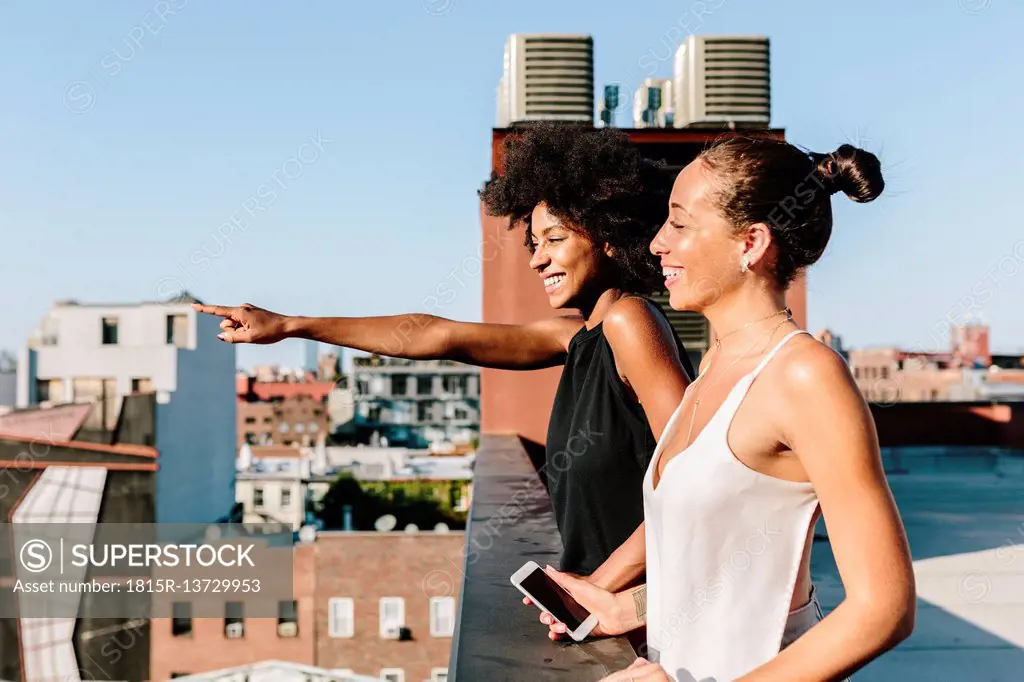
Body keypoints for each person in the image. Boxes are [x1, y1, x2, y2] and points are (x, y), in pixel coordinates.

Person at [193, 122, 694, 584]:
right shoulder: (577, 336)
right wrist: (288, 325)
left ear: (609, 237)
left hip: (641, 611)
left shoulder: (631, 322)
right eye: (533, 244)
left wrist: (598, 589)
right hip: (597, 608)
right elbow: (437, 335)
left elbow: (693, 476)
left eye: (555, 239)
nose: (538, 258)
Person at [536, 137, 916, 682]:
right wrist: (628, 608)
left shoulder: (805, 376)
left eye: (680, 224)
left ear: (751, 243)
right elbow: (727, 572)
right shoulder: (713, 366)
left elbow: (884, 609)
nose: (658, 243)